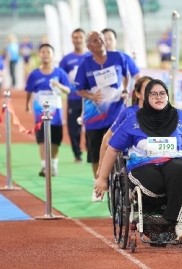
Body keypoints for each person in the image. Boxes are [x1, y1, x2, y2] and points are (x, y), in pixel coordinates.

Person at [94, 79, 182, 242]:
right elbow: (113, 148)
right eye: (153, 94)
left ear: (167, 96)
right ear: (146, 97)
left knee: (181, 170)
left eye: (162, 94)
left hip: (175, 163)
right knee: (157, 182)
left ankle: (180, 224)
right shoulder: (133, 121)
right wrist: (102, 178)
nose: (158, 97)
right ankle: (163, 216)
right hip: (143, 165)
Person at [74, 31, 129, 202]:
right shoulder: (85, 64)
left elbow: (127, 77)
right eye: (96, 40)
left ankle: (122, 184)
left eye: (102, 39)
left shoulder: (118, 57)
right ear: (89, 46)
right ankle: (98, 185)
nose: (101, 42)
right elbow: (79, 89)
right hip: (95, 116)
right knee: (96, 151)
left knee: (120, 149)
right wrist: (92, 97)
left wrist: (126, 90)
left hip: (117, 112)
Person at [25, 43, 71, 177]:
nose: (45, 54)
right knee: (42, 139)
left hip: (56, 112)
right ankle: (44, 166)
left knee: (56, 140)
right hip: (40, 111)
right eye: (43, 52)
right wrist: (27, 104)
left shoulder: (59, 73)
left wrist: (59, 85)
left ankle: (54, 165)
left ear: (52, 55)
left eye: (48, 52)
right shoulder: (34, 74)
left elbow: (68, 90)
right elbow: (29, 90)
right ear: (39, 55)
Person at [96, 76, 153, 177]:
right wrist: (101, 166)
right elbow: (107, 138)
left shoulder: (162, 113)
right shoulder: (128, 113)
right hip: (134, 157)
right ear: (138, 93)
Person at [59, 28, 89, 163]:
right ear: (72, 40)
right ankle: (77, 154)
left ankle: (91, 151)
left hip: (89, 99)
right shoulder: (66, 60)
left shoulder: (90, 57)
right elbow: (61, 78)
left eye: (80, 37)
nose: (77, 40)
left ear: (84, 39)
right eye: (75, 37)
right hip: (73, 99)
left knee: (91, 126)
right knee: (73, 128)